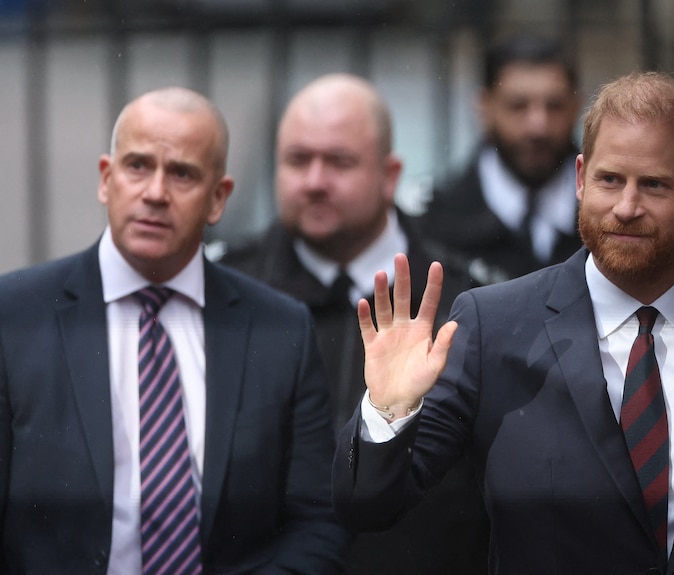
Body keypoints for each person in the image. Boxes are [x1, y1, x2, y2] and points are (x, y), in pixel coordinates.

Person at [332, 71, 674, 574]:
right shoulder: (492, 324)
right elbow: (370, 506)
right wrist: (388, 411)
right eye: (609, 179)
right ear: (581, 178)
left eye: (653, 185)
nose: (626, 207)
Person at [0, 87, 350, 574]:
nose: (155, 193)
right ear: (107, 179)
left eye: (182, 173)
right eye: (137, 166)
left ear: (218, 198)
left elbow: (316, 519)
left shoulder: (280, 329)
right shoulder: (14, 316)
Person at [219, 74, 488, 575]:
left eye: (339, 162)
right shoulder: (224, 291)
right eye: (298, 160)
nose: (315, 180)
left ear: (390, 175)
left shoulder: (467, 301)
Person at [417, 33, 583, 285]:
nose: (538, 126)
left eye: (554, 105)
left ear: (576, 106)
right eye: (518, 106)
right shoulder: (436, 228)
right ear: (485, 107)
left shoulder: (610, 218)